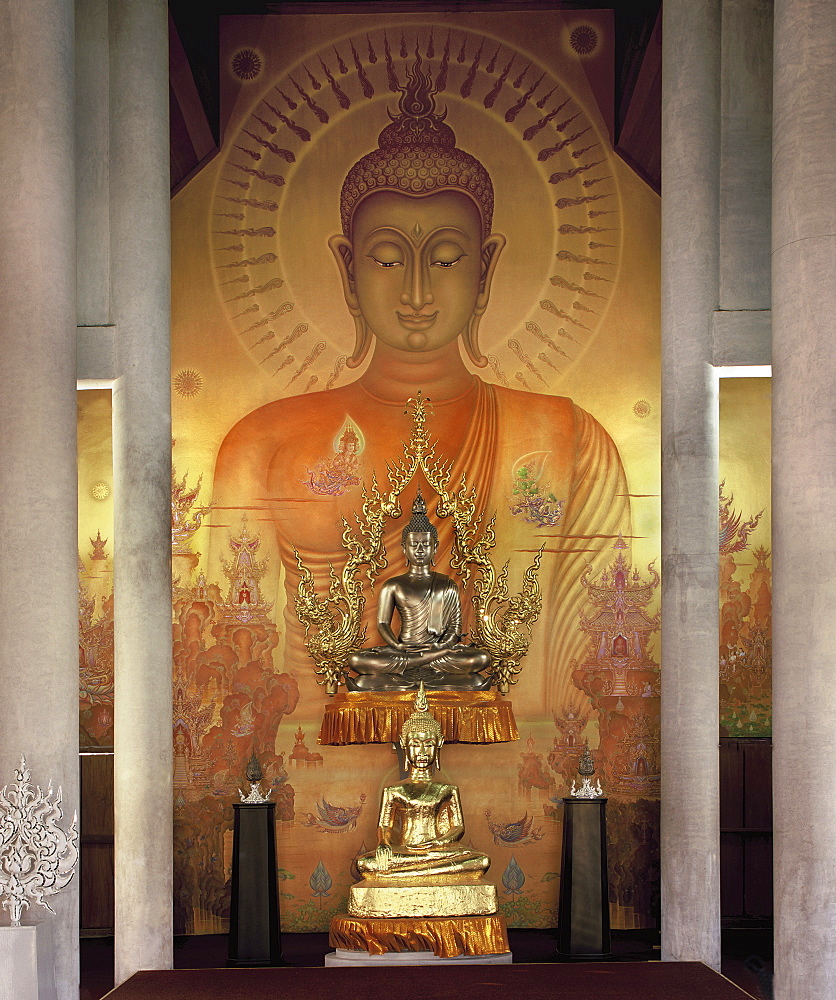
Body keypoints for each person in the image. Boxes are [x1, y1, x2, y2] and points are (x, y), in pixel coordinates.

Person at [211, 61, 630, 712]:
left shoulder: (571, 442)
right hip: (325, 747)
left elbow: (586, 680)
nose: (415, 292)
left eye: (445, 258)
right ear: (347, 270)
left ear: (486, 268)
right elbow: (234, 673)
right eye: (385, 259)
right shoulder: (259, 446)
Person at [346, 492, 491, 691]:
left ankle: (419, 665)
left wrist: (441, 647)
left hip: (438, 652)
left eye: (426, 544)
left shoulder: (446, 584)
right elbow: (382, 623)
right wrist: (397, 647)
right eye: (414, 545)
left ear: (435, 547)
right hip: (404, 651)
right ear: (404, 548)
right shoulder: (393, 585)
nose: (420, 549)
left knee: (481, 658)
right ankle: (422, 663)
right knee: (357, 660)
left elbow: (455, 627)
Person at [355, 685, 490, 880]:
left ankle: (407, 874)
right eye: (415, 745)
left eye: (428, 745)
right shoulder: (394, 791)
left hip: (438, 852)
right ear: (404, 744)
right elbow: (385, 826)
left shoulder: (447, 789)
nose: (422, 752)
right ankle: (423, 872)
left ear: (439, 744)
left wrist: (437, 844)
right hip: (405, 852)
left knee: (481, 861)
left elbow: (458, 828)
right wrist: (384, 844)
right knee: (365, 864)